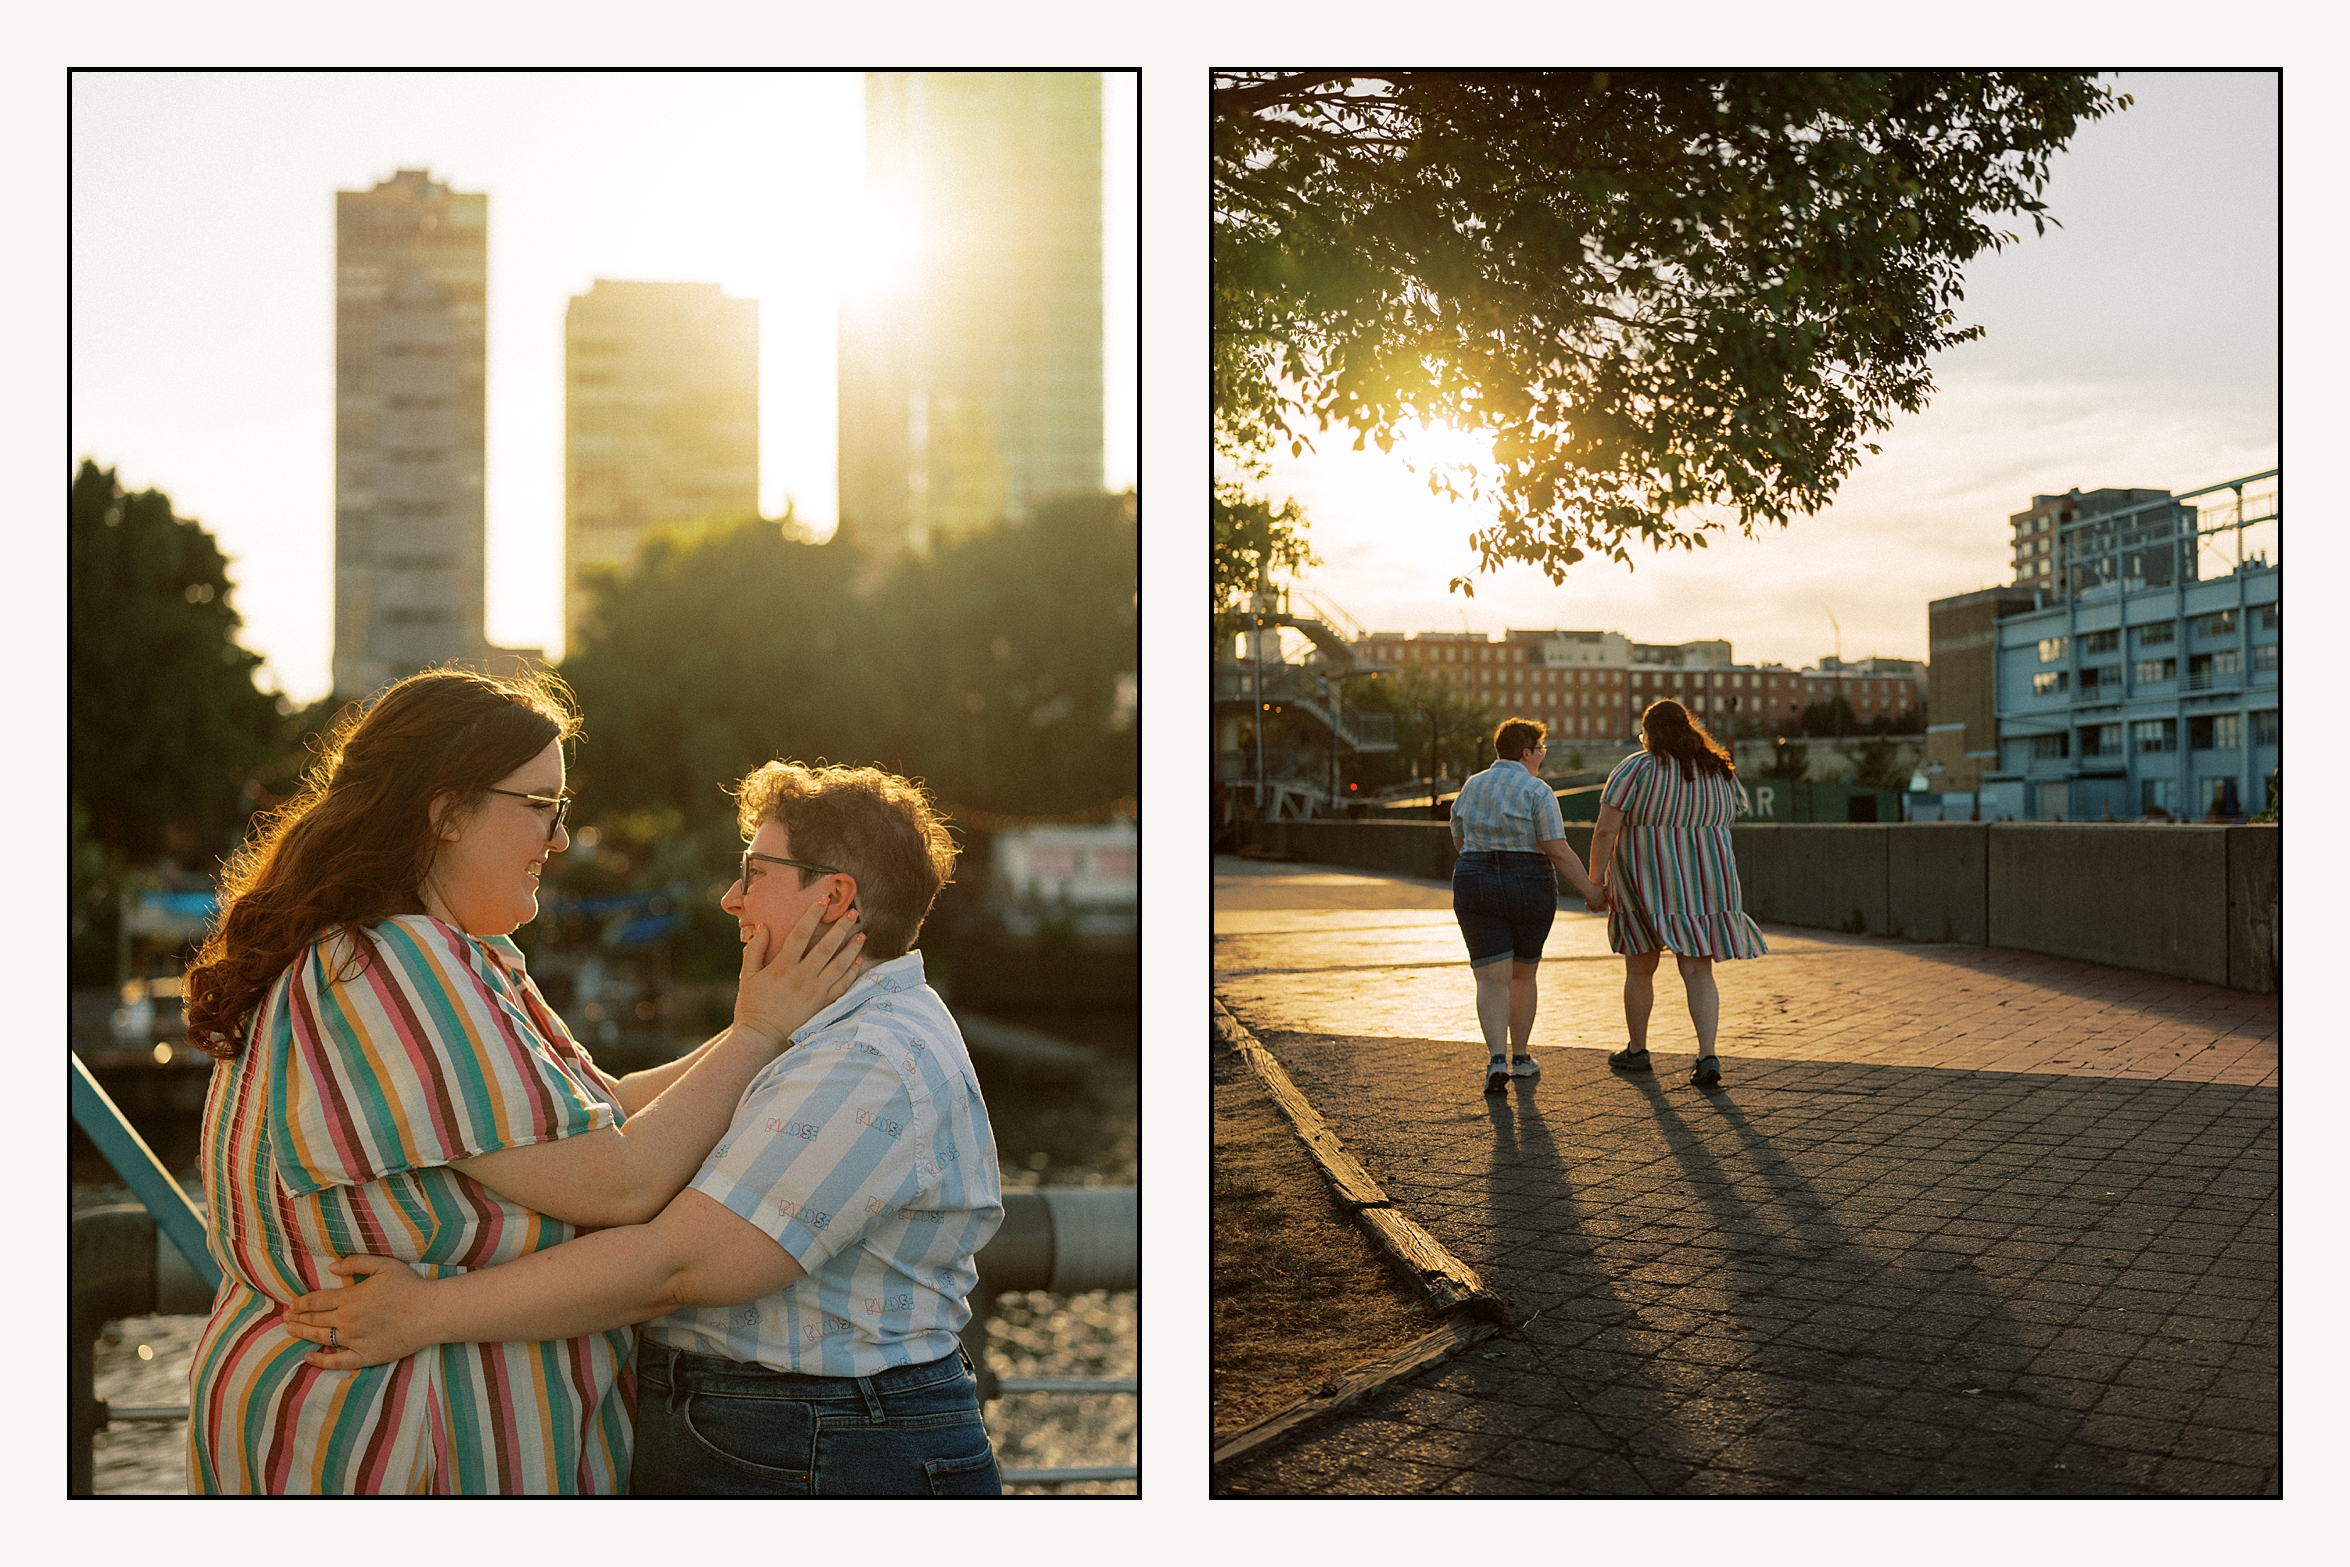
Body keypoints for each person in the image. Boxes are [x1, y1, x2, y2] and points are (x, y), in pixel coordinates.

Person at [180, 669, 863, 1495]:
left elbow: (602, 1110)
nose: (562, 837)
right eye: (540, 805)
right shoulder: (395, 964)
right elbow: (621, 1179)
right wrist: (758, 1031)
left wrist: (764, 1023)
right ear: (445, 810)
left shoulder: (434, 952)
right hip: (399, 1445)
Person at [282, 761, 1007, 1498]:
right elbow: (611, 1108)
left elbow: (675, 1266)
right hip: (793, 1434)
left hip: (821, 1445)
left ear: (834, 897)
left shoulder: (867, 1057)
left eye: (755, 872)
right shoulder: (816, 1031)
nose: (731, 898)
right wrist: (752, 1029)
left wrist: (424, 1313)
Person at [1587, 698, 1767, 1088]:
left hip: (1643, 887)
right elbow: (1733, 815)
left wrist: (1594, 882)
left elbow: (1604, 830)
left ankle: (1637, 1051)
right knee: (1698, 970)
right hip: (1706, 887)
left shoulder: (1637, 769)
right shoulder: (1719, 770)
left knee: (1639, 970)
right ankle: (1707, 1055)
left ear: (1648, 732)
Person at [1449, 718, 1610, 1095]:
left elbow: (1457, 834)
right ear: (1527, 753)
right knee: (1522, 974)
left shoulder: (1471, 785)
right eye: (1541, 748)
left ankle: (1495, 1060)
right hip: (1528, 880)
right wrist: (1591, 891)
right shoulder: (1538, 791)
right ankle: (1520, 1057)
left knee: (1490, 979)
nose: (1543, 754)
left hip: (1474, 875)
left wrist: (1480, 862)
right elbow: (1556, 849)